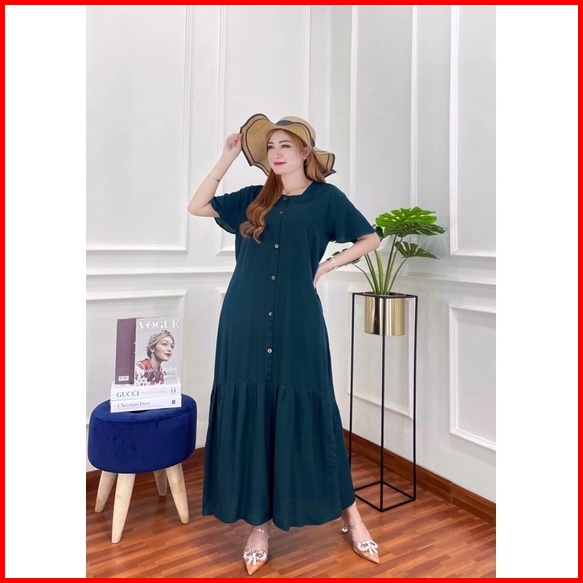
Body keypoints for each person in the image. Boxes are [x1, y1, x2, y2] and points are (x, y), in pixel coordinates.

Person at [187, 113, 382, 574]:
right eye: (271, 146)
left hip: (298, 320)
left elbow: (370, 238)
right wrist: (227, 156)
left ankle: (351, 515)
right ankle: (259, 525)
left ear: (305, 152)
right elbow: (198, 206)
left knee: (315, 410)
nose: (276, 153)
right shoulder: (252, 198)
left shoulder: (327, 199)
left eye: (286, 146)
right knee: (256, 413)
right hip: (245, 320)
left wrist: (328, 265)